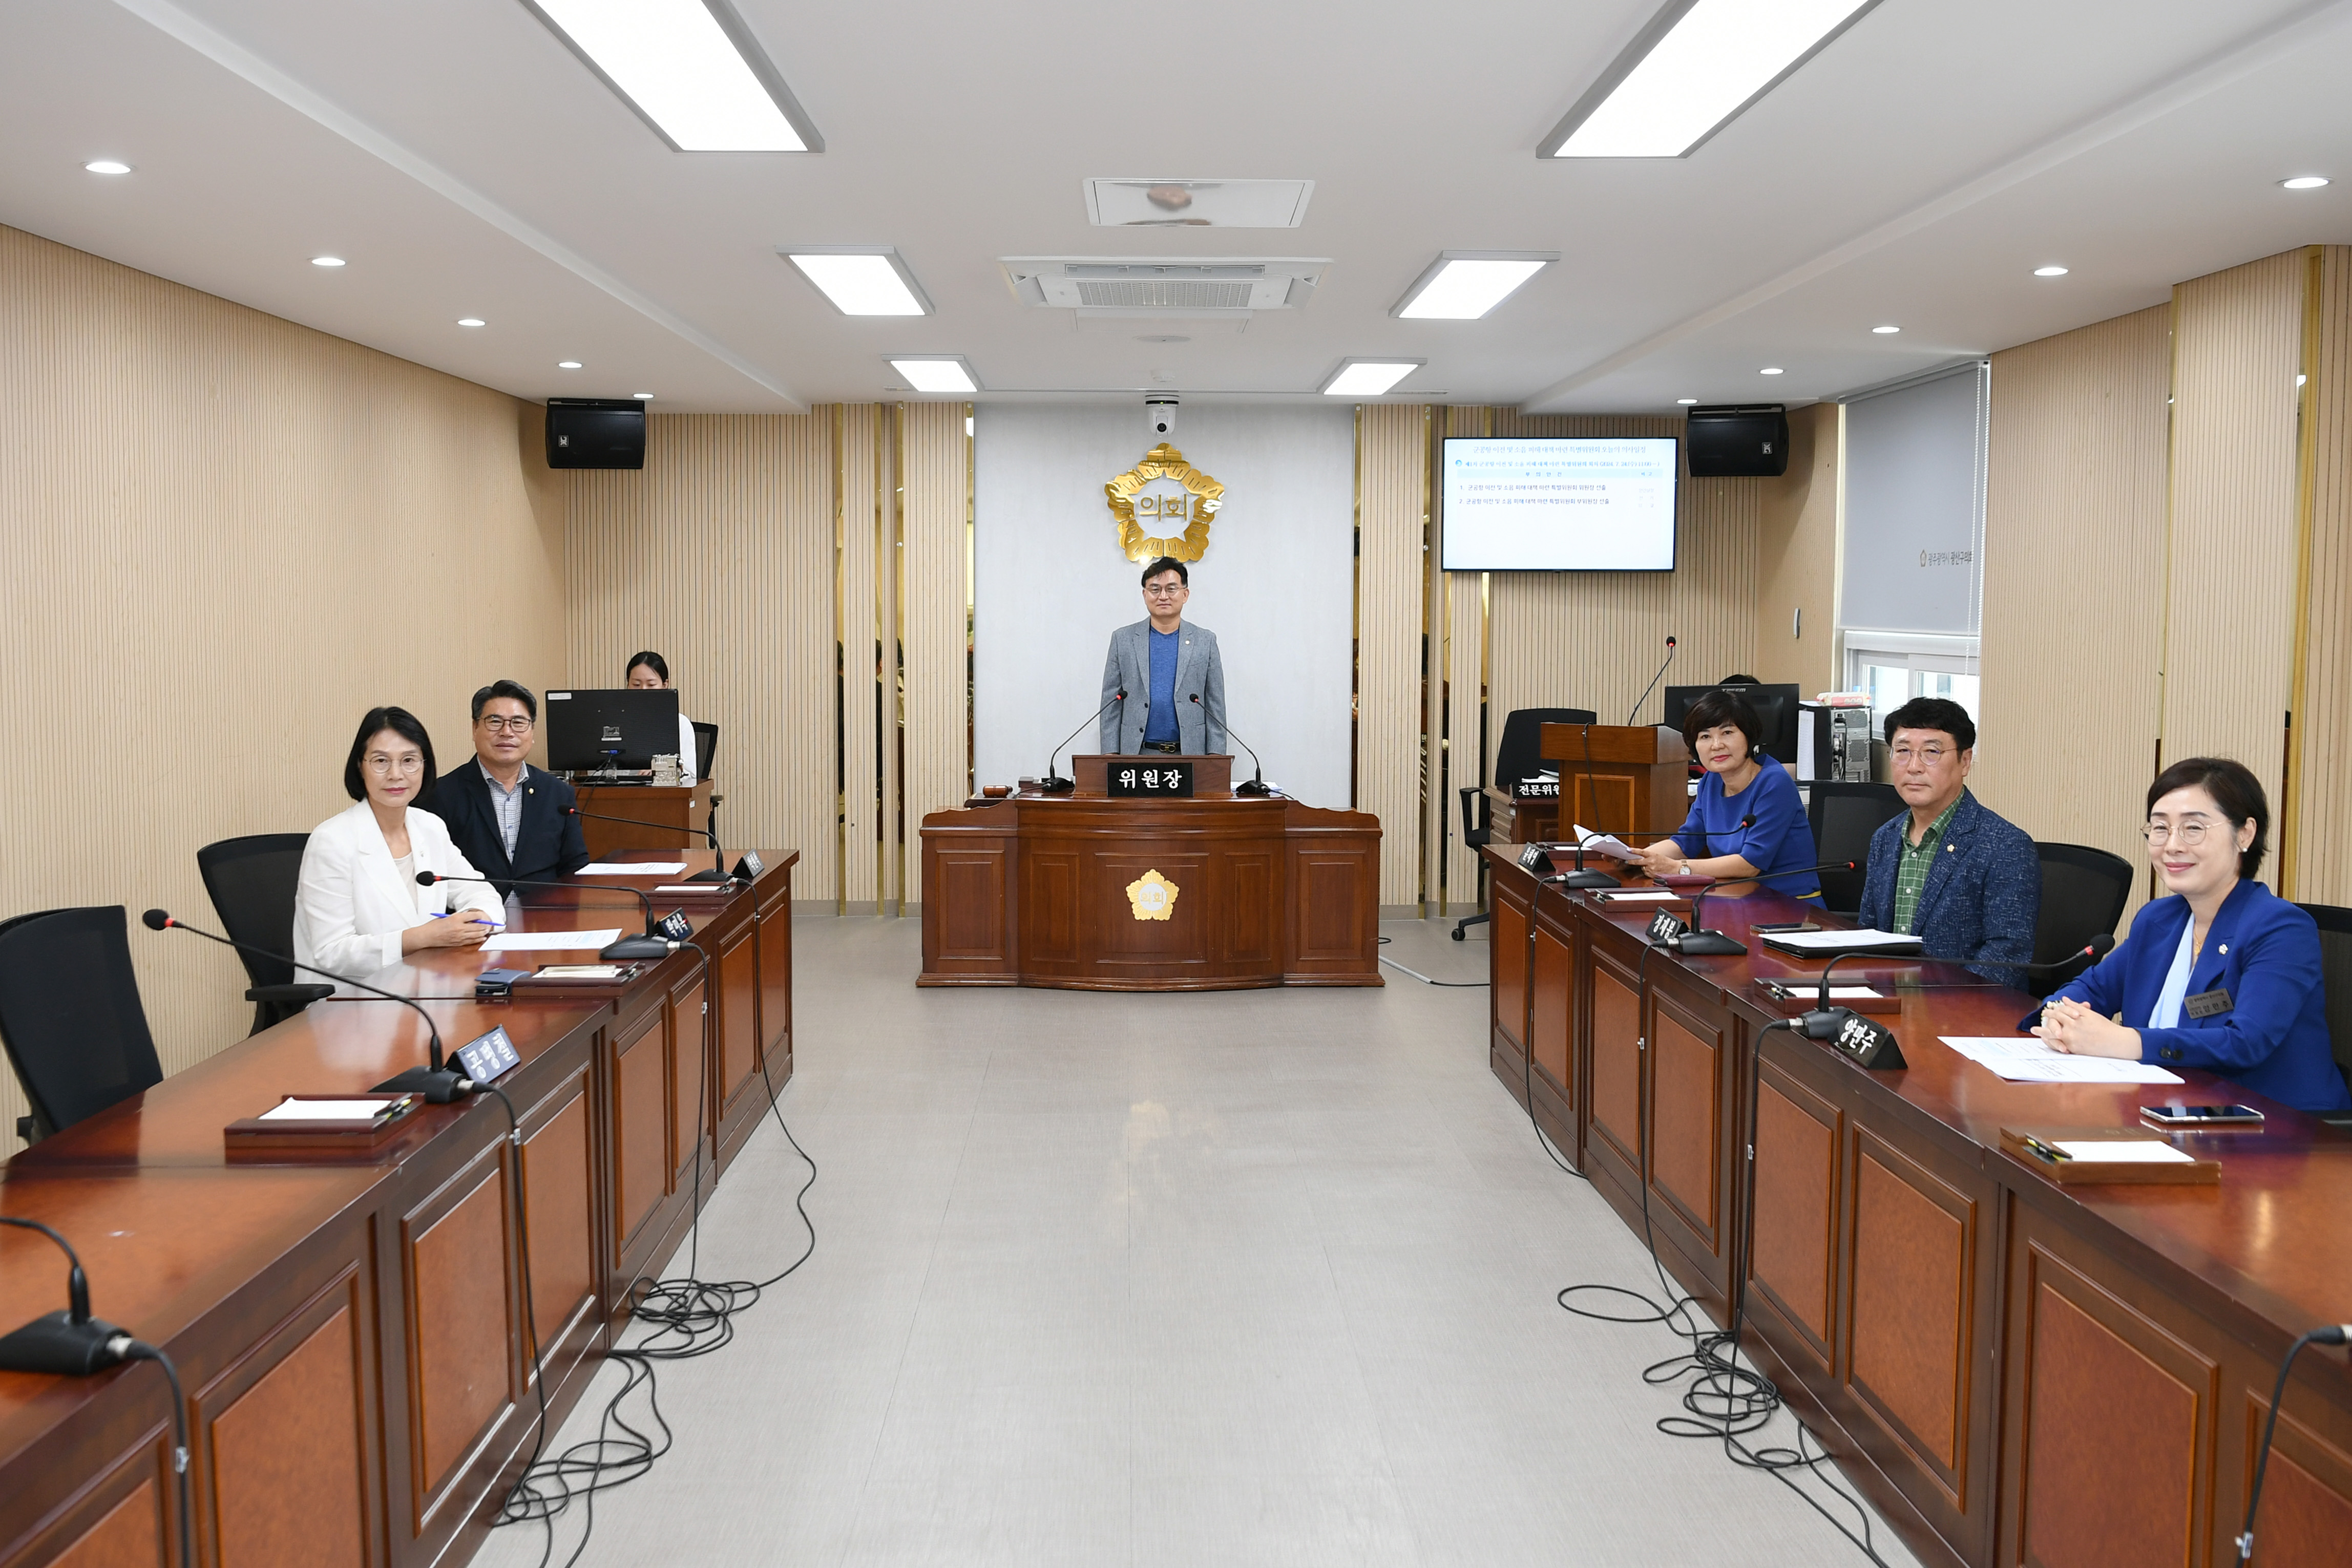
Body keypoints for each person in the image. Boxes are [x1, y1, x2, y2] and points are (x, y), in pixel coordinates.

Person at [2032, 756, 2350, 1114]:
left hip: (2273, 1129)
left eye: (2193, 829)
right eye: (2160, 828)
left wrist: (2127, 1041)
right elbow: (2091, 990)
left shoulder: (2281, 928)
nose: (2172, 846)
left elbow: (2245, 1043)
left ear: (2245, 834)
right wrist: (2058, 1018)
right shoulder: (2159, 919)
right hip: (2169, 1110)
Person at [292, 707, 506, 978]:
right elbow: (332, 952)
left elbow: (481, 892)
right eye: (381, 761)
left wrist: (477, 918)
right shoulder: (332, 841)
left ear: (424, 766)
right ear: (360, 766)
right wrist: (421, 937)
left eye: (409, 760)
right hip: (352, 1001)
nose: (396, 774)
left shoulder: (429, 827)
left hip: (426, 986)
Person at [1854, 697, 2038, 977]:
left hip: (1960, 1011)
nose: (1914, 767)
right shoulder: (1885, 838)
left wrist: (1941, 1012)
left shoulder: (2005, 846)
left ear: (1965, 761)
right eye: (1902, 751)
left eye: (1931, 752)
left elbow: (2006, 958)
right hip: (1887, 1001)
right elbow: (1868, 933)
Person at [1632, 687, 1819, 897]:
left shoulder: (1774, 783)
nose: (1716, 745)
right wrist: (1634, 858)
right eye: (1705, 736)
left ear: (1748, 736)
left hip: (1788, 906)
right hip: (1733, 897)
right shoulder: (1711, 782)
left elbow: (1750, 864)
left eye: (1727, 733)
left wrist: (1678, 869)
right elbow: (1686, 843)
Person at [423, 680, 590, 897]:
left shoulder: (558, 794)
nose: (507, 732)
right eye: (495, 722)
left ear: (532, 732)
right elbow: (433, 875)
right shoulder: (440, 795)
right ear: (475, 728)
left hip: (545, 919)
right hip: (473, 921)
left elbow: (575, 866)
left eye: (519, 722)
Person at [1099, 557, 1227, 756]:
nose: (1163, 596)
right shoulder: (1123, 639)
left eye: (1171, 589)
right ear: (1144, 594)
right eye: (1155, 589)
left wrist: (1216, 758)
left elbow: (1215, 707)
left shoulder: (1205, 641)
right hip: (1136, 755)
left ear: (1185, 594)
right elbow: (1110, 705)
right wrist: (1110, 756)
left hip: (1190, 756)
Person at [626, 650, 699, 781]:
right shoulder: (618, 722)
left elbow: (690, 775)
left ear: (665, 685)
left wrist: (659, 771)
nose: (643, 690)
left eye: (651, 685)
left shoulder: (679, 723)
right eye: (636, 685)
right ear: (628, 685)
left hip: (667, 796)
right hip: (623, 794)